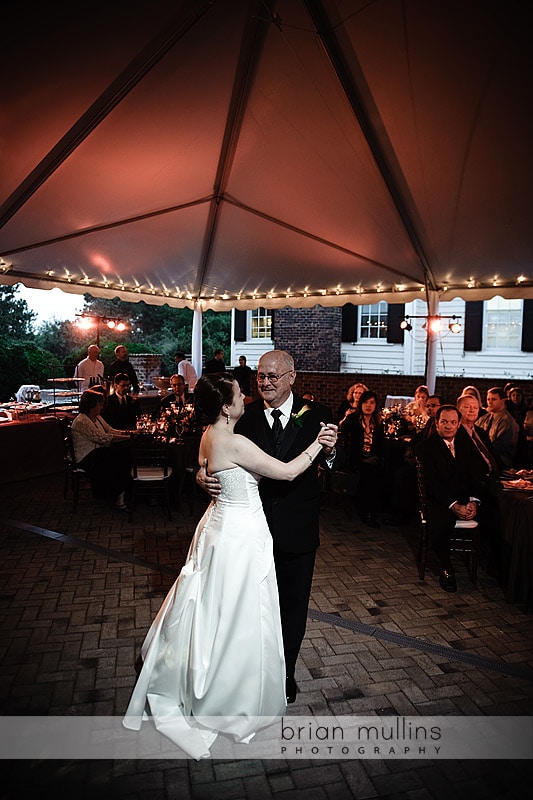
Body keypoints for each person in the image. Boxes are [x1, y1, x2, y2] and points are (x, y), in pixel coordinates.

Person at [123, 373, 333, 759]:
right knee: (240, 612)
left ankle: (209, 673)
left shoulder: (208, 434)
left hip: (218, 527)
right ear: (226, 404)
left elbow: (207, 464)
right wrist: (318, 445)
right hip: (240, 534)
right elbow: (286, 472)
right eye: (239, 393)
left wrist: (205, 474)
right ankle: (231, 688)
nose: (246, 396)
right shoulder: (234, 440)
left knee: (213, 606)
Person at [197, 350, 337, 705]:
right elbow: (213, 452)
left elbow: (338, 464)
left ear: (292, 377)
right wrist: (201, 474)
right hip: (250, 534)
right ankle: (251, 673)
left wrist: (331, 453)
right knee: (252, 608)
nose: (265, 383)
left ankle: (285, 673)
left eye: (273, 376)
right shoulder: (241, 416)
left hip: (297, 529)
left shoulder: (318, 415)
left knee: (292, 608)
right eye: (261, 376)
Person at [416, 405, 484, 592]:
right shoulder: (426, 447)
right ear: (437, 423)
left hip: (464, 498)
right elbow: (432, 484)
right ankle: (446, 568)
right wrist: (454, 505)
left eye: (453, 422)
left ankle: (492, 568)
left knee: (495, 513)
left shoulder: (465, 444)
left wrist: (473, 501)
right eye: (444, 422)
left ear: (459, 424)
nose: (448, 426)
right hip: (440, 499)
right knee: (440, 522)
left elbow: (477, 475)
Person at [71, 389, 132, 509]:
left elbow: (110, 430)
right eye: (99, 404)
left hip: (98, 452)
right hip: (87, 458)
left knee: (123, 452)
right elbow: (101, 438)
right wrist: (127, 437)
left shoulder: (97, 417)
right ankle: (120, 493)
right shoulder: (82, 421)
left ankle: (122, 491)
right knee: (122, 455)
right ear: (91, 405)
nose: (102, 407)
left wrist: (128, 433)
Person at [339, 389, 386, 528]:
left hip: (371, 458)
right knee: (368, 473)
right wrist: (361, 459)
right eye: (365, 402)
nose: (368, 406)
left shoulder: (377, 423)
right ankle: (367, 512)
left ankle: (375, 509)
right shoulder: (353, 420)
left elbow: (380, 445)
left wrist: (376, 458)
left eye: (372, 403)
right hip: (355, 459)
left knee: (383, 470)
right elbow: (345, 443)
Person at [475, 387, 519, 468]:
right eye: (488, 399)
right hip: (484, 455)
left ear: (503, 401)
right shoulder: (484, 418)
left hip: (501, 460)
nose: (490, 402)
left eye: (494, 399)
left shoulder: (506, 421)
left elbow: (501, 446)